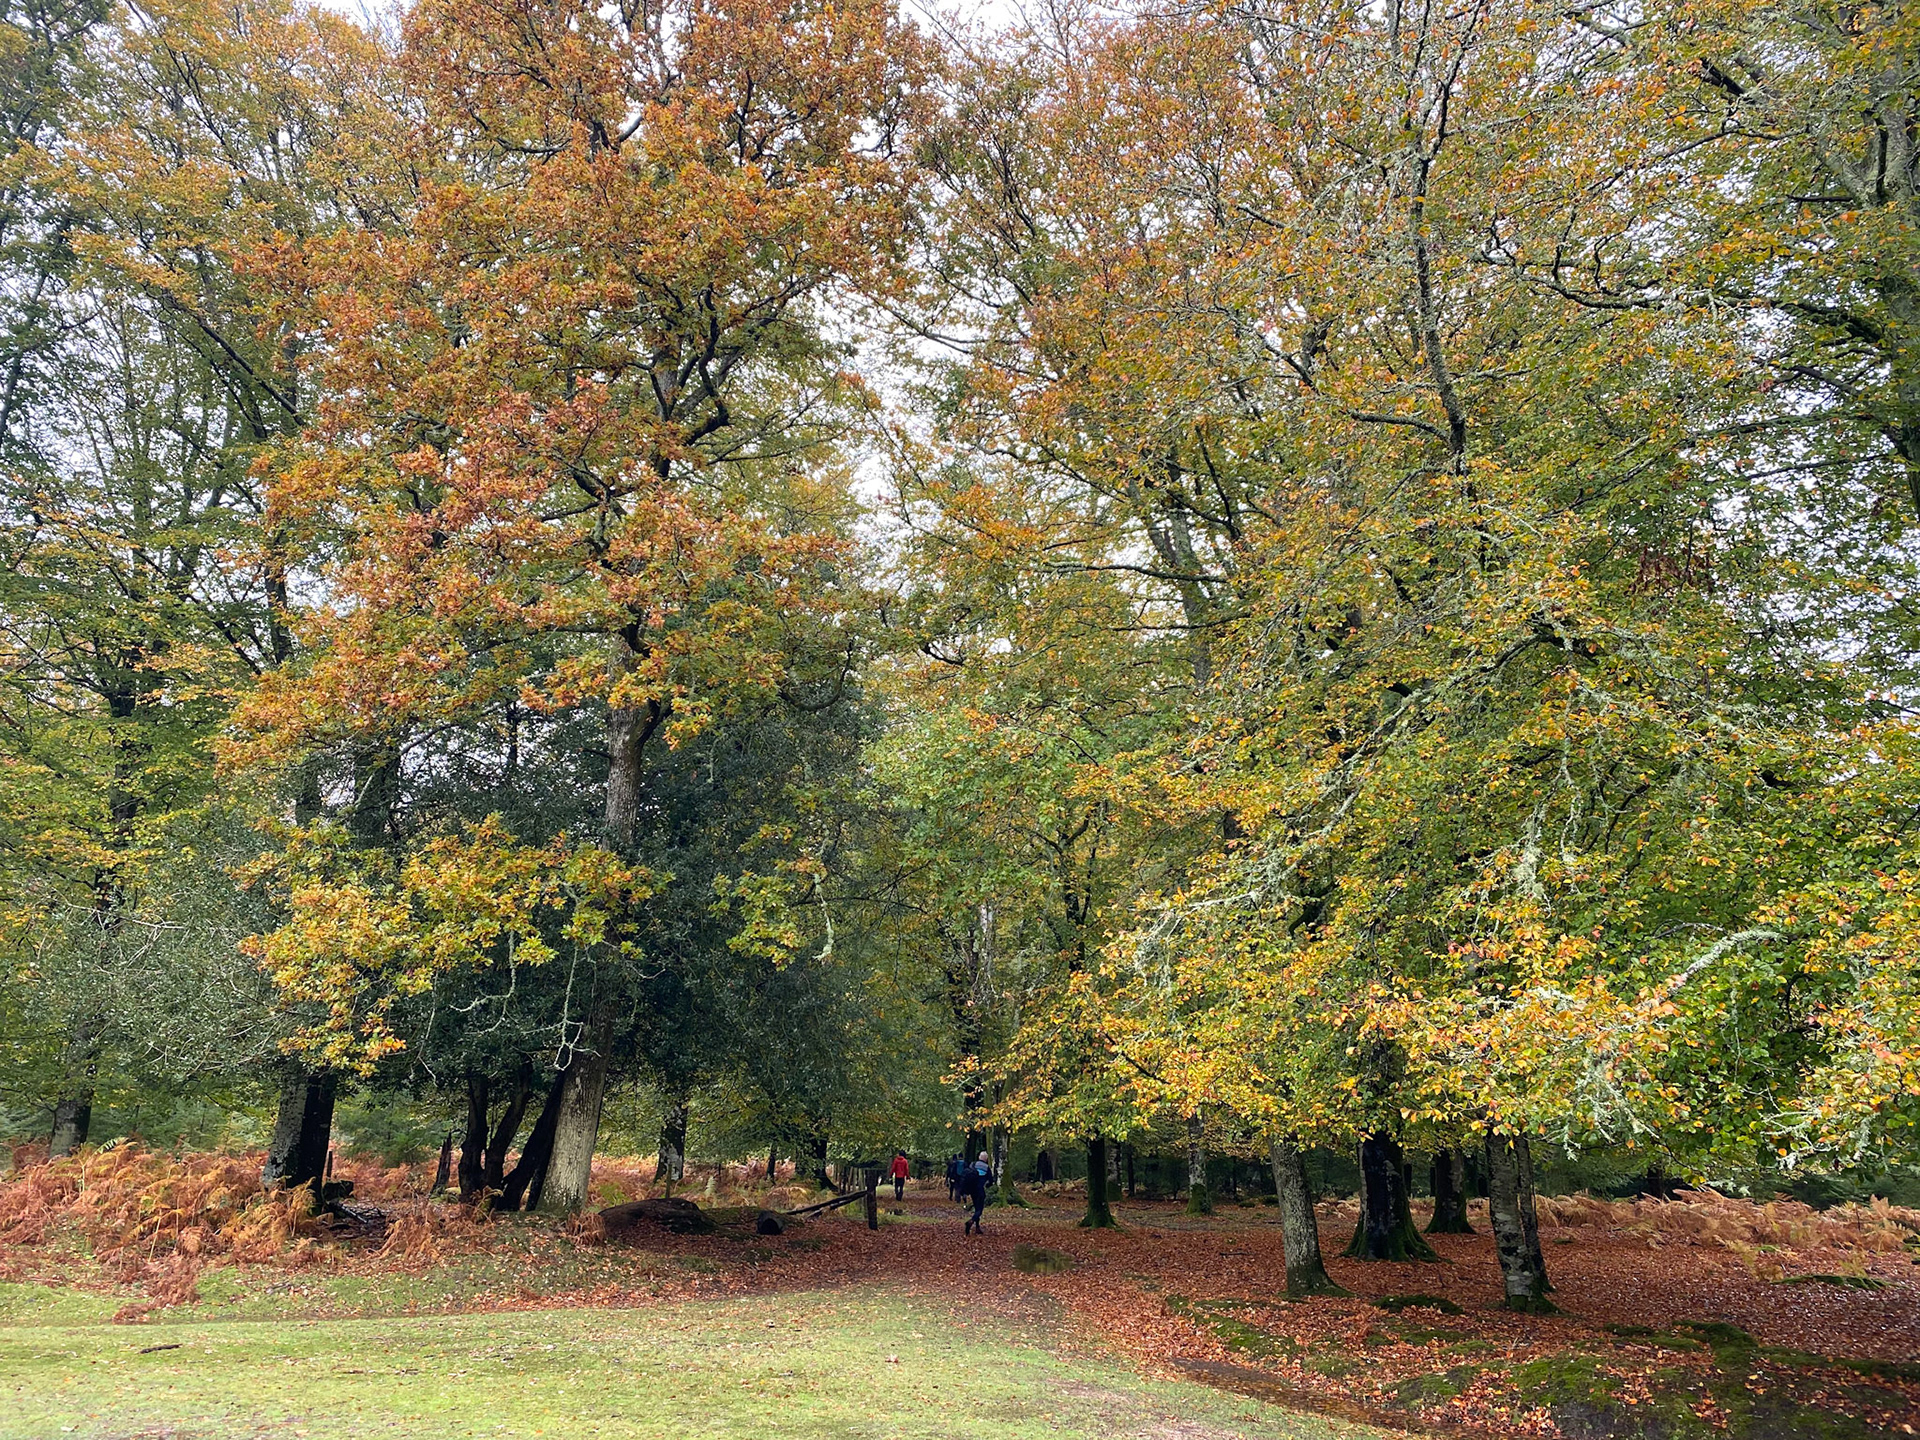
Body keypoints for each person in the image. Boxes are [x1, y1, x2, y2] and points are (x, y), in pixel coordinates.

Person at [961, 1149, 991, 1235]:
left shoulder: (973, 1164)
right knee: (979, 1210)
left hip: (972, 1190)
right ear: (986, 1159)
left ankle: (977, 1227)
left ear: (979, 1157)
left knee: (976, 1208)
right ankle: (971, 1222)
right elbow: (990, 1181)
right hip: (980, 1190)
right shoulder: (986, 1167)